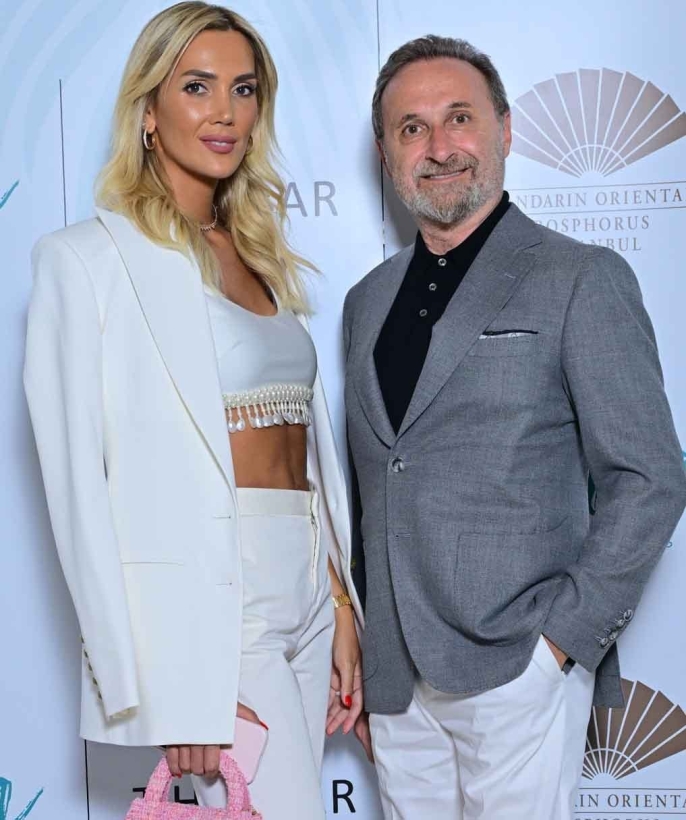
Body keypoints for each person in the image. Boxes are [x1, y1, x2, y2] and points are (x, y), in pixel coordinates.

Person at [23, 4, 366, 818]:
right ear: (149, 110)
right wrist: (166, 688)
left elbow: (303, 453)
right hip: (216, 607)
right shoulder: (86, 261)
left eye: (243, 89)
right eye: (197, 87)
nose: (225, 112)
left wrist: (339, 601)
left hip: (308, 587)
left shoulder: (260, 252)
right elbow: (79, 495)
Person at [344, 35, 686, 819]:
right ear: (387, 154)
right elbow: (375, 483)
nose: (439, 147)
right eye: (412, 128)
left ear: (503, 128)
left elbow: (650, 476)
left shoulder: (579, 277)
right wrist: (372, 661)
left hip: (517, 668)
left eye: (459, 118)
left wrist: (561, 646)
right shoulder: (366, 302)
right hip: (398, 686)